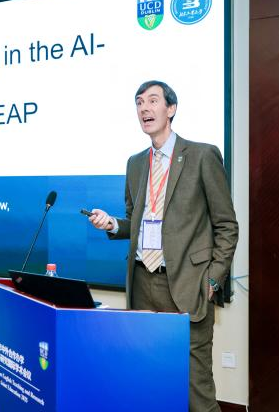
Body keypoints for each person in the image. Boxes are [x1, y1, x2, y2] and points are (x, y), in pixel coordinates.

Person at [89, 80, 238, 412]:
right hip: (143, 283)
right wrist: (112, 224)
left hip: (187, 285)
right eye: (139, 102)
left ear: (171, 109)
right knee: (148, 380)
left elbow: (227, 226)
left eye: (153, 100)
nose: (144, 108)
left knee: (196, 392)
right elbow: (137, 221)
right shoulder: (135, 163)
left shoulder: (202, 155)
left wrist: (213, 280)